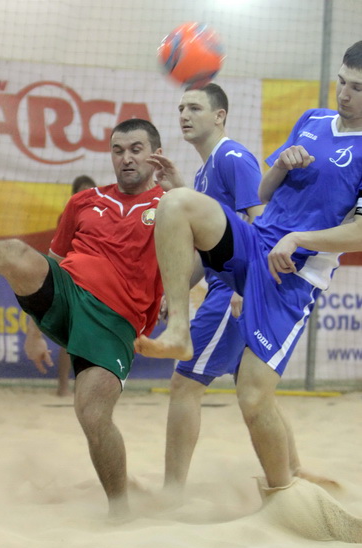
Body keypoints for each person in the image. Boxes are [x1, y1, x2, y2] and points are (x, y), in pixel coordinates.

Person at [135, 41, 362, 498]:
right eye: (341, 82)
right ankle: (178, 328)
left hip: (292, 275)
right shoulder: (313, 120)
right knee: (176, 203)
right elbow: (264, 192)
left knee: (254, 398)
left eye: (357, 88)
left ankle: (285, 494)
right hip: (256, 245)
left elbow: (358, 233)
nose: (344, 94)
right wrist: (282, 163)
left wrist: (299, 240)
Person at [0, 118, 165, 520]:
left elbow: (195, 256)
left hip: (115, 319)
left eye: (136, 149)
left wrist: (179, 299)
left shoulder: (170, 205)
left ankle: (119, 508)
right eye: (118, 151)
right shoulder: (84, 202)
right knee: (17, 253)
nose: (126, 158)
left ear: (155, 154)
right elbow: (53, 261)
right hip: (67, 292)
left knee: (92, 413)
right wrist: (34, 334)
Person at [150, 84, 267, 501]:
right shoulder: (205, 171)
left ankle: (171, 495)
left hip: (235, 291)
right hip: (230, 285)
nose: (184, 114)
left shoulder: (233, 157)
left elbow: (262, 227)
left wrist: (248, 289)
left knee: (185, 385)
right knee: (257, 398)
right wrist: (176, 288)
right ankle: (294, 477)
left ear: (220, 116)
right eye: (181, 107)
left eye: (195, 107)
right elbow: (209, 248)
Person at [24, 174, 97, 397]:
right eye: (82, 192)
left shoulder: (103, 217)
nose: (86, 196)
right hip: (71, 278)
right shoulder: (68, 216)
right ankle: (63, 385)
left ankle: (85, 387)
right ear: (74, 195)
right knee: (69, 338)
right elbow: (60, 253)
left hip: (94, 280)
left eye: (90, 192)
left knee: (92, 338)